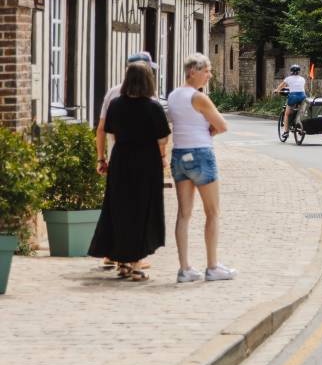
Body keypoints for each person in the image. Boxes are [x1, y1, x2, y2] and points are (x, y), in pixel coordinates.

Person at [87, 62, 170, 281]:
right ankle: (135, 264)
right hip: (146, 162)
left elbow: (109, 130)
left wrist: (102, 158)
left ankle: (121, 262)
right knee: (142, 209)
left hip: (121, 160)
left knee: (119, 209)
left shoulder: (116, 104)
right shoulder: (153, 107)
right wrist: (162, 156)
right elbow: (162, 137)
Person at [167, 53, 235, 283]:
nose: (209, 75)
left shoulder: (174, 95)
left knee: (183, 214)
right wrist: (211, 130)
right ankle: (212, 266)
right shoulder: (199, 98)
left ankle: (184, 268)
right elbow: (222, 125)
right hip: (201, 154)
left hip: (179, 155)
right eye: (206, 71)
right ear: (192, 72)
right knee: (213, 212)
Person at [275, 65, 307, 132]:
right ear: (299, 71)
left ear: (291, 71)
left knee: (287, 114)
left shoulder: (288, 79)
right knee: (301, 111)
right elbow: (300, 87)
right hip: (303, 96)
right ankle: (299, 122)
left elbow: (281, 86)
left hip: (293, 97)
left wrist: (277, 90)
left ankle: (286, 132)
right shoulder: (302, 79)